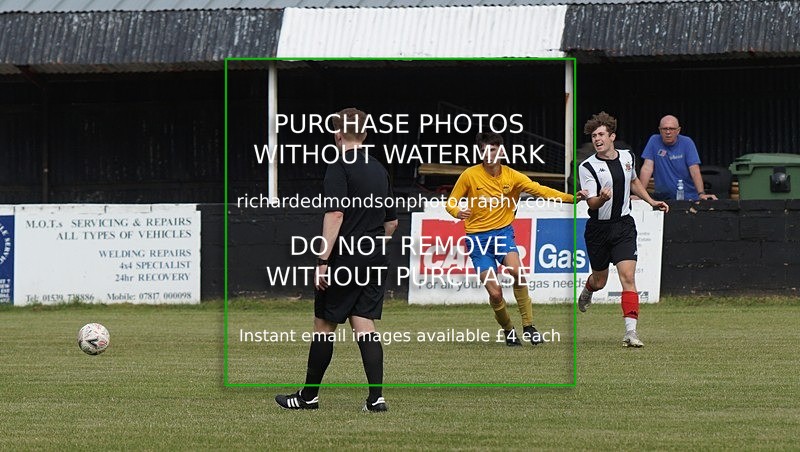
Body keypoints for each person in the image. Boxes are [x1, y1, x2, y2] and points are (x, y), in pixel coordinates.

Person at [275, 108, 398, 412]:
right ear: (365, 135)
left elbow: (336, 213)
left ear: (338, 134)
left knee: (324, 325)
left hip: (345, 256)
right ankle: (376, 398)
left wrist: (322, 260)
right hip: (373, 254)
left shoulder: (339, 166)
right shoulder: (380, 169)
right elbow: (392, 224)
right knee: (364, 324)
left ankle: (308, 397)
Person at [446, 132, 582, 346]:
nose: (490, 155)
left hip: (502, 234)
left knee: (517, 272)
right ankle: (509, 330)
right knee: (496, 293)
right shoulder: (469, 175)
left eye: (494, 150)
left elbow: (540, 191)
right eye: (485, 150)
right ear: (480, 153)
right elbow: (451, 202)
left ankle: (529, 326)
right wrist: (457, 212)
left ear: (501, 151)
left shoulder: (513, 176)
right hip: (477, 241)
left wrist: (571, 199)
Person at [577, 112, 669, 348]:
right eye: (594, 135)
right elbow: (591, 203)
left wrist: (651, 202)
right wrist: (602, 198)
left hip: (624, 225)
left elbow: (634, 181)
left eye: (601, 134)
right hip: (598, 229)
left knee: (628, 277)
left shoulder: (628, 157)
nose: (597, 139)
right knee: (600, 281)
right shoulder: (587, 166)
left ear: (612, 136)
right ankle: (589, 289)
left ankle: (631, 332)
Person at [639, 115, 718, 201]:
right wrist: (640, 194)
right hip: (662, 198)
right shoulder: (654, 140)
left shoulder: (687, 142)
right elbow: (647, 168)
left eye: (671, 129)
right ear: (660, 130)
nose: (668, 132)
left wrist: (701, 193)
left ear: (678, 130)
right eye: (664, 129)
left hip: (688, 197)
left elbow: (694, 170)